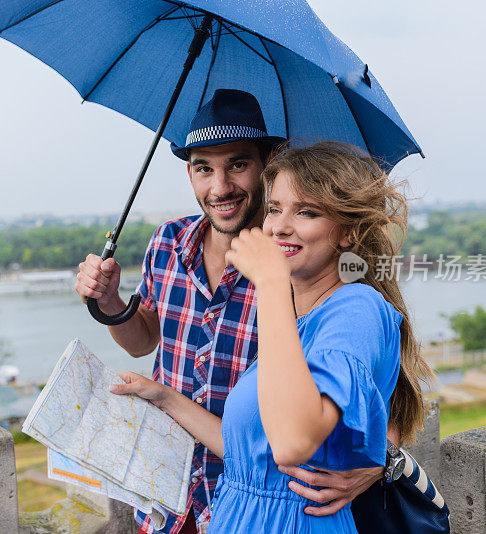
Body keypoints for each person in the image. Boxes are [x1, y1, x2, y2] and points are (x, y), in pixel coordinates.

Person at [76, 90, 402, 534]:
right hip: (167, 493)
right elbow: (145, 339)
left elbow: (376, 389)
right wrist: (111, 303)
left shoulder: (297, 271)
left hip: (266, 501)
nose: (220, 187)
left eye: (238, 165)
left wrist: (377, 464)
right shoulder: (169, 242)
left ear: (266, 167)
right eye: (203, 168)